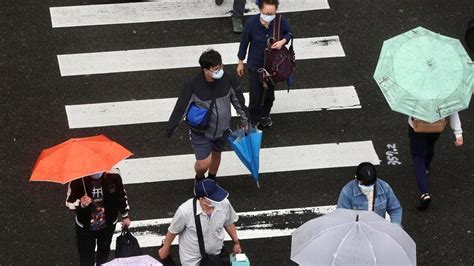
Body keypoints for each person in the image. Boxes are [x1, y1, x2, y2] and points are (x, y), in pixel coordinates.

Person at [167, 49, 249, 181]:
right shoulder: (193, 85)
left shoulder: (228, 79)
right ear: (205, 69)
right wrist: (171, 129)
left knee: (216, 155)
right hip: (201, 132)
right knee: (203, 163)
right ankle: (199, 177)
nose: (219, 71)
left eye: (220, 67)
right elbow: (181, 108)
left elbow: (238, 101)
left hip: (222, 130)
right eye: (215, 69)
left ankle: (211, 180)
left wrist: (245, 120)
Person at [158, 179, 242, 265]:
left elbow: (229, 223)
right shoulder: (185, 211)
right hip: (193, 260)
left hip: (216, 255)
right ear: (202, 199)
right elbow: (173, 231)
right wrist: (165, 249)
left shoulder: (224, 203)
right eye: (214, 198)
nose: (218, 200)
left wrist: (236, 242)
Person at [237, 0, 292, 128]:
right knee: (255, 96)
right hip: (255, 66)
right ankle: (253, 119)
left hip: (273, 67)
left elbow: (289, 33)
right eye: (267, 13)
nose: (269, 16)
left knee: (269, 95)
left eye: (272, 13)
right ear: (260, 10)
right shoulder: (251, 24)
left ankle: (265, 114)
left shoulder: (280, 21)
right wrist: (240, 62)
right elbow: (244, 43)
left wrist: (283, 42)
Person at [66, 169, 131, 265]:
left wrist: (125, 215)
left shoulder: (114, 175)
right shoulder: (77, 179)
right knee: (86, 258)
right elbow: (69, 202)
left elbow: (121, 196)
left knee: (104, 253)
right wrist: (81, 203)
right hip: (85, 228)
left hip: (107, 226)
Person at [408, 113, 464, 210]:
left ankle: (424, 193)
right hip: (436, 127)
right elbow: (453, 112)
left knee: (418, 156)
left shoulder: (416, 96)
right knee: (430, 145)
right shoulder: (444, 96)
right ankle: (426, 167)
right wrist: (458, 133)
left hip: (417, 126)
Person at [337, 162, 403, 225]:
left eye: (370, 184)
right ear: (356, 177)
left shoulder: (384, 188)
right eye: (364, 184)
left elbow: (395, 209)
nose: (367, 187)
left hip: (378, 228)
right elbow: (342, 216)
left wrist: (395, 226)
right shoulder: (347, 191)